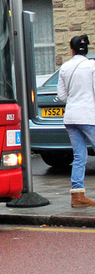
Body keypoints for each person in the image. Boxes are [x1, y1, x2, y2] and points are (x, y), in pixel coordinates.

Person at [57, 35, 95, 208]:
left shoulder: (65, 67)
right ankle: (78, 196)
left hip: (71, 117)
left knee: (79, 156)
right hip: (88, 116)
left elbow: (62, 96)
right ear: (86, 50)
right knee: (81, 155)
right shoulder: (92, 66)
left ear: (72, 50)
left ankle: (77, 196)